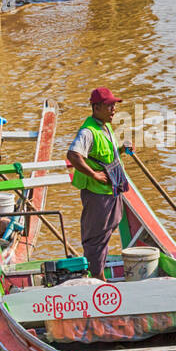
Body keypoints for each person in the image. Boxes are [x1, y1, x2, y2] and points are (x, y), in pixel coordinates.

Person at [66, 87, 133, 279]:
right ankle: (97, 277)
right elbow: (73, 155)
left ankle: (98, 271)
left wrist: (121, 149)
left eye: (114, 105)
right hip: (96, 192)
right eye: (109, 106)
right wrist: (94, 174)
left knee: (107, 230)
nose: (113, 110)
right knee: (96, 237)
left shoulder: (105, 126)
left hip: (109, 189)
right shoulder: (88, 131)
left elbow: (104, 155)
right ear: (96, 107)